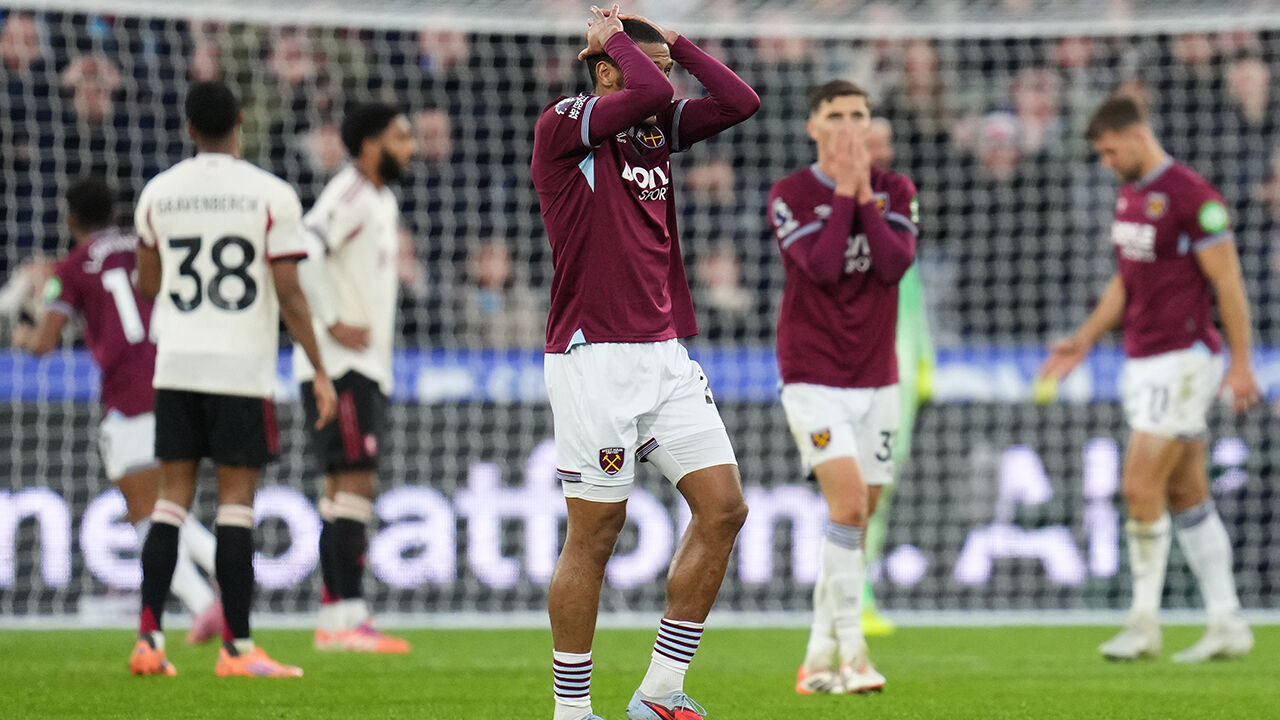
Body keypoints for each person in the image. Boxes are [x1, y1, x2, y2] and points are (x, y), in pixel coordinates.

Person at [530, 6, 758, 720]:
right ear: (606, 72)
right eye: (649, 68)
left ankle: (659, 691)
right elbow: (652, 91)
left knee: (724, 509)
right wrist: (621, 43)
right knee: (596, 533)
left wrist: (674, 40)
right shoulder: (564, 123)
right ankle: (572, 710)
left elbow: (740, 102)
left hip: (664, 354)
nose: (667, 83)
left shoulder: (652, 133)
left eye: (667, 69)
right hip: (593, 356)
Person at [1039, 94, 1259, 663]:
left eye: (1111, 151)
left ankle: (1142, 623)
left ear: (1137, 136)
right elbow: (1127, 278)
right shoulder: (1130, 195)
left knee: (1139, 487)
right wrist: (1084, 339)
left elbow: (1228, 281)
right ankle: (1228, 622)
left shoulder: (1193, 196)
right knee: (1187, 493)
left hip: (1183, 360)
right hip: (1143, 358)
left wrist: (1241, 363)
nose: (1106, 162)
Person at [128, 80, 337, 678]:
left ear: (189, 129)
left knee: (171, 501)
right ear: (241, 121)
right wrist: (321, 370)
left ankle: (148, 640)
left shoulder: (157, 193)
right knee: (236, 506)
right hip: (240, 369)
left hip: (177, 363)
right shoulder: (271, 195)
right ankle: (238, 649)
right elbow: (289, 294)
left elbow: (149, 285)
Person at [20, 177, 223, 645]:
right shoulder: (147, 244)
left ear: (70, 220)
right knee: (165, 504)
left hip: (129, 396)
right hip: (177, 380)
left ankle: (211, 595)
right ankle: (220, 586)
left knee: (146, 512)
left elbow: (45, 343)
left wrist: (24, 336)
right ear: (115, 213)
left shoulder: (73, 267)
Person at [767, 80, 918, 694]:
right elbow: (824, 267)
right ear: (814, 127)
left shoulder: (897, 189)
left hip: (878, 377)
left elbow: (895, 264)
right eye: (836, 115)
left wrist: (861, 194)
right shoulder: (790, 195)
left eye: (859, 114)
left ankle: (816, 656)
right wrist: (848, 193)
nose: (851, 125)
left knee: (858, 515)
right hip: (813, 375)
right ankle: (853, 655)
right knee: (849, 507)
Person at [295, 102, 415, 654]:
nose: (410, 148)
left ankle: (336, 616)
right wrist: (330, 320)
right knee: (355, 483)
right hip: (343, 367)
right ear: (370, 145)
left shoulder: (381, 198)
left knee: (340, 489)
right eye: (400, 137)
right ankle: (348, 619)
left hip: (361, 367)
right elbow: (304, 251)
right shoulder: (350, 194)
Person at [859, 117, 935, 638]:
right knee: (851, 486)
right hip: (849, 366)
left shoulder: (900, 198)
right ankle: (845, 594)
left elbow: (909, 284)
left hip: (899, 367)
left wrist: (924, 357)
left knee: (878, 486)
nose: (885, 152)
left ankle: (859, 590)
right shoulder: (824, 200)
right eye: (876, 144)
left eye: (888, 143)